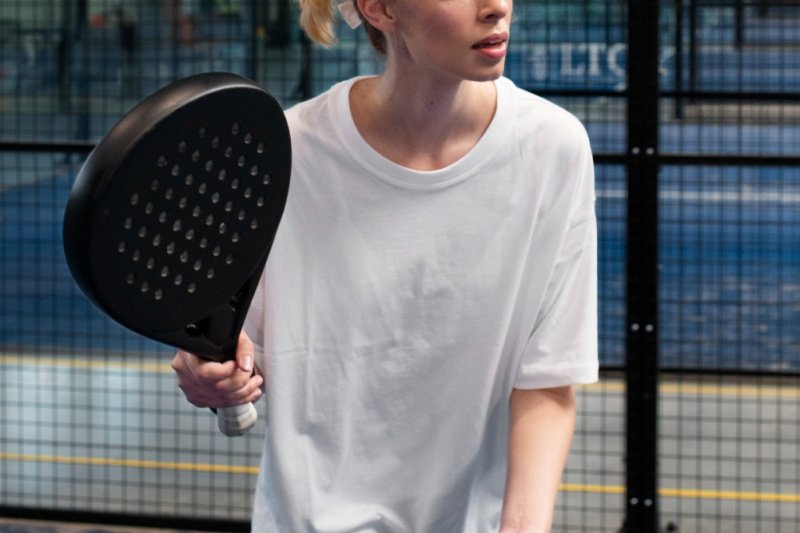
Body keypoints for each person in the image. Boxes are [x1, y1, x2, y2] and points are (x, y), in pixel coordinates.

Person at [171, 0, 599, 530]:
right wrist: (212, 381)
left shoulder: (553, 148)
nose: (497, 7)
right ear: (379, 9)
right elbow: (236, 365)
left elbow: (549, 382)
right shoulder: (286, 153)